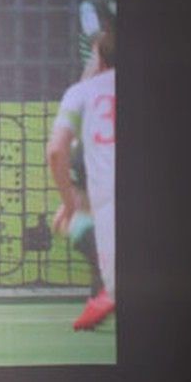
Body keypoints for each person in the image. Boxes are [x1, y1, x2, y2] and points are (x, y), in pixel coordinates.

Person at [47, 29, 116, 330]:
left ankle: (108, 289)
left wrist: (68, 202)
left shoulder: (84, 92)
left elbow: (55, 150)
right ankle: (102, 290)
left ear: (99, 59)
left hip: (104, 185)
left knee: (70, 221)